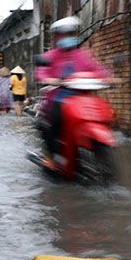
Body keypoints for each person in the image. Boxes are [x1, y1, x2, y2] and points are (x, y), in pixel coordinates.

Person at [34, 16, 111, 161]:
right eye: (65, 34)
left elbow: (97, 69)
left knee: (105, 114)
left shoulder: (83, 55)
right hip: (59, 98)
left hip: (83, 98)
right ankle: (51, 155)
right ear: (57, 36)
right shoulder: (51, 55)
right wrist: (49, 78)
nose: (68, 37)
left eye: (71, 33)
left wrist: (108, 78)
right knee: (54, 121)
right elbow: (41, 71)